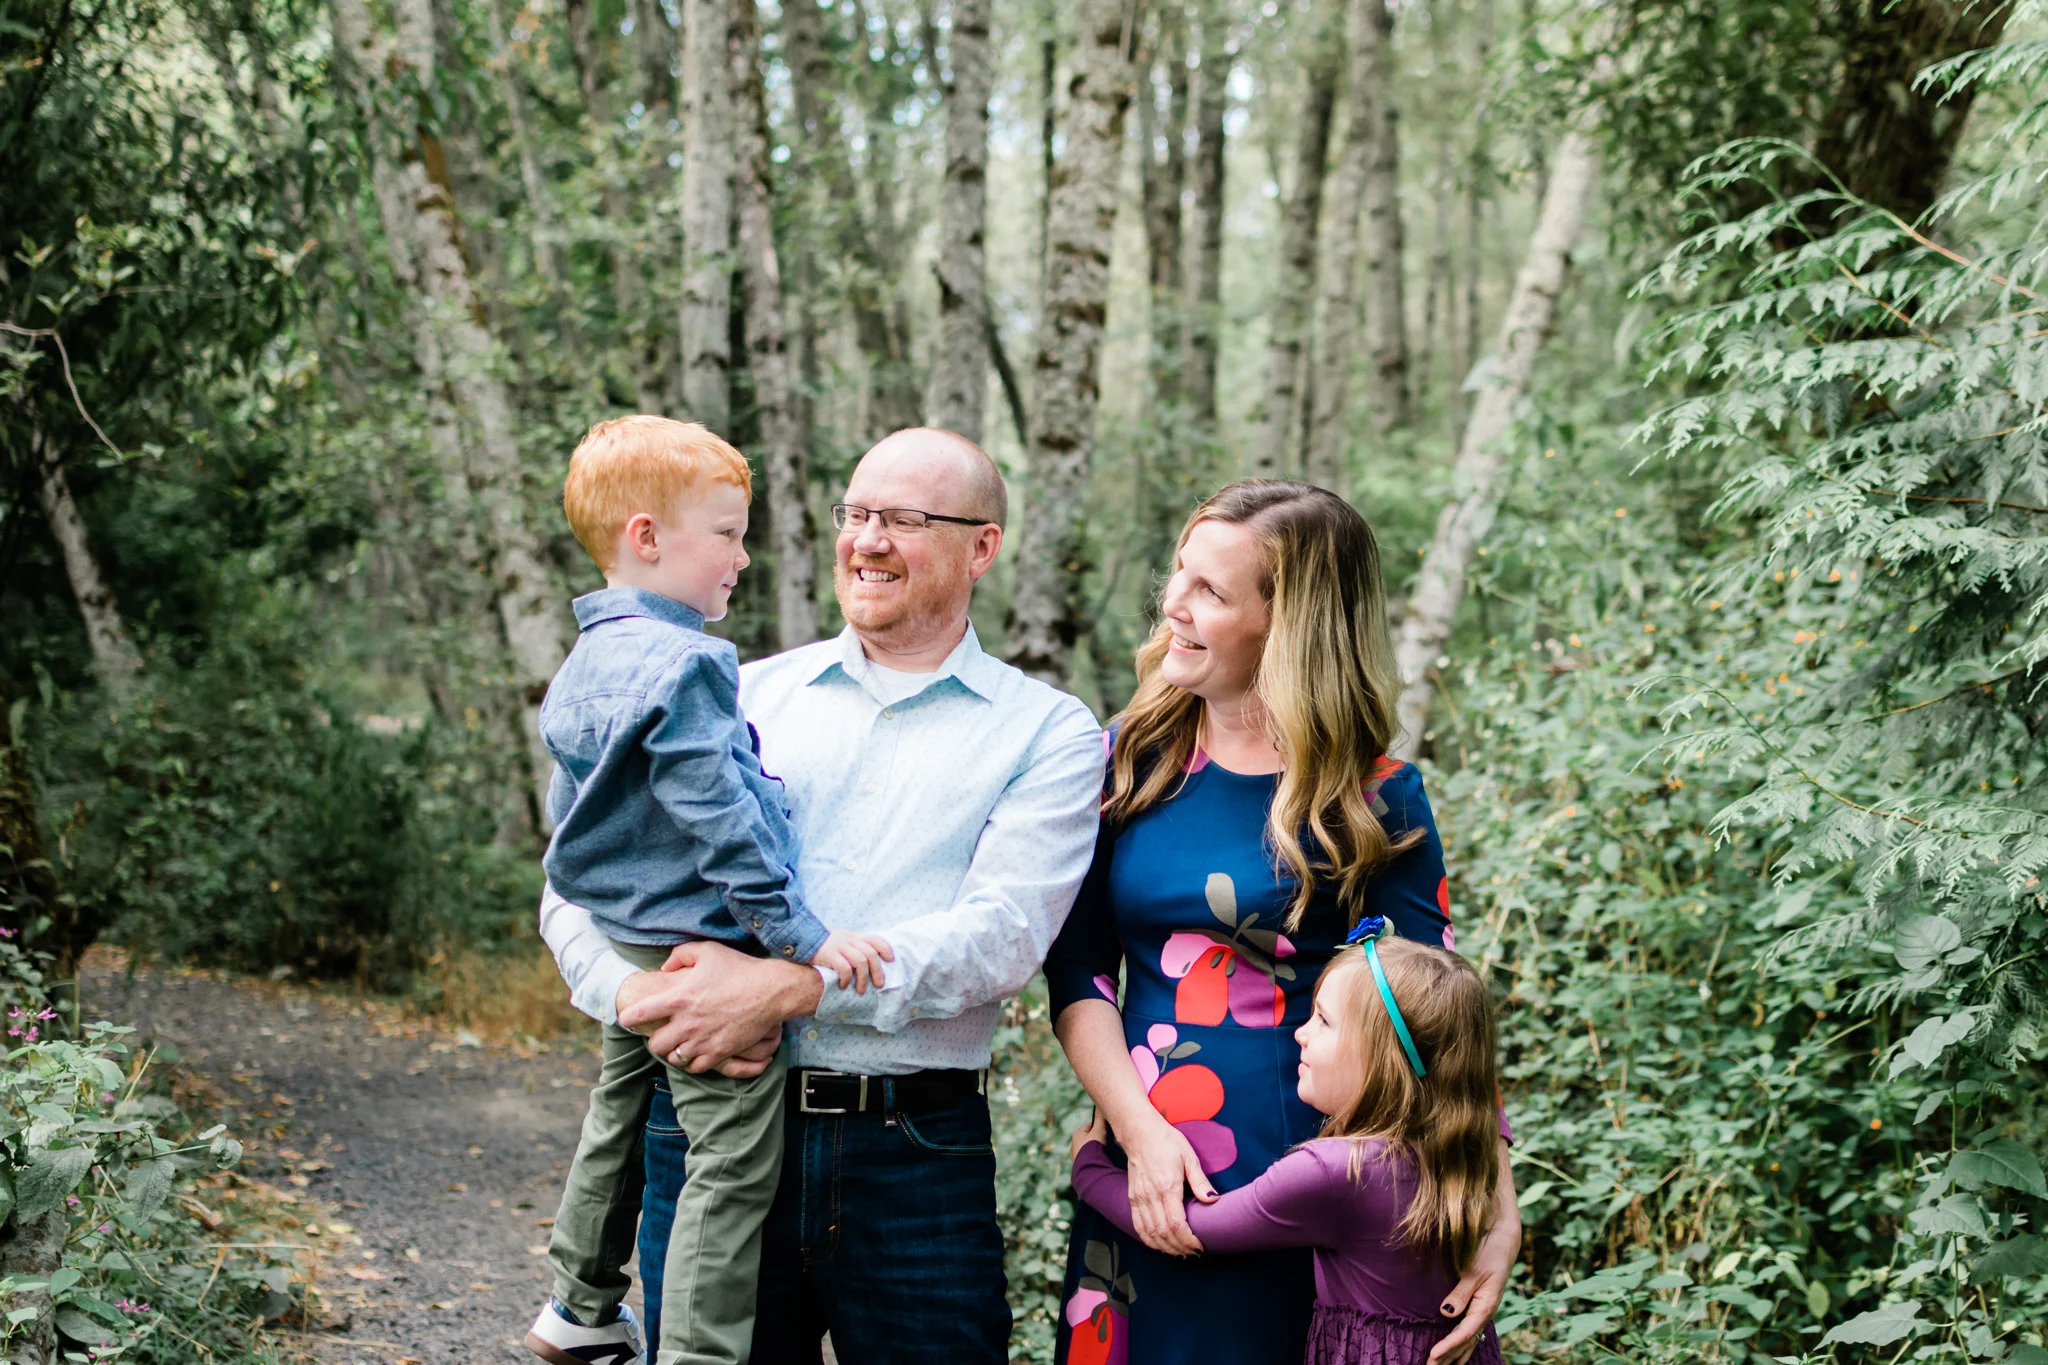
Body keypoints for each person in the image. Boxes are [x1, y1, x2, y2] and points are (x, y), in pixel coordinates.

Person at [540, 427, 1105, 1363]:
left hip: (912, 1150)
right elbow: (578, 878)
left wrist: (792, 987)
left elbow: (1003, 936)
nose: (867, 539)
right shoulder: (732, 689)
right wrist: (635, 994)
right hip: (704, 1121)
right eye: (856, 512)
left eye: (905, 519)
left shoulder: (1046, 731)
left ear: (981, 548)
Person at [1041, 480, 1519, 1365]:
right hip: (1146, 1171)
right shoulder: (1126, 760)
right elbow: (1078, 973)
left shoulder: (1375, 796)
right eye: (1179, 573)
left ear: (1289, 627)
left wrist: (1496, 1202)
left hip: (1319, 1190)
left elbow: (1439, 1016)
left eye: (1211, 591)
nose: (1173, 604)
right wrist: (1138, 1134)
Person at [524, 416, 892, 1365]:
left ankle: (577, 1302)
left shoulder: (579, 667)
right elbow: (720, 816)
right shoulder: (687, 663)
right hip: (704, 944)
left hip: (630, 939)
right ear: (647, 536)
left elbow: (572, 820)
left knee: (618, 1111)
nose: (742, 556)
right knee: (729, 1159)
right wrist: (799, 934)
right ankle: (698, 1354)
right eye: (726, 533)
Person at [1068, 923, 1506, 1365]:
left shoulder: (1336, 1171)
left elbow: (1187, 1228)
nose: (1301, 1032)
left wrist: (1089, 1169)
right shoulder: (1460, 1148)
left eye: (1324, 1020)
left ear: (1384, 1057)